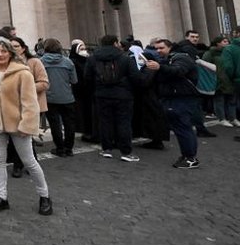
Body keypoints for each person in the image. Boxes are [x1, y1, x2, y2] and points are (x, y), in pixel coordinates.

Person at [0, 37, 52, 217]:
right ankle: (1, 196)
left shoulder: (23, 73)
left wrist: (27, 125)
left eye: (3, 51)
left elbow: (30, 103)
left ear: (10, 53)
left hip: (18, 124)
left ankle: (44, 195)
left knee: (29, 161)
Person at [144, 39, 201, 168]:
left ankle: (190, 157)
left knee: (183, 128)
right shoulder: (169, 59)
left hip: (181, 97)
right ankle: (187, 155)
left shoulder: (180, 58)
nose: (158, 51)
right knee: (181, 128)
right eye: (156, 48)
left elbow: (178, 71)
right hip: (174, 97)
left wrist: (160, 67)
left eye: (161, 48)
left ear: (170, 47)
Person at [84, 35, 141, 162]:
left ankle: (106, 149)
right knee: (124, 122)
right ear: (115, 43)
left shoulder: (93, 59)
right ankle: (126, 151)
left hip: (102, 94)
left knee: (105, 122)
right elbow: (136, 77)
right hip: (123, 95)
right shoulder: (125, 58)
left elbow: (87, 77)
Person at [7, 36, 48, 177]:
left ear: (23, 48)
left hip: (31, 105)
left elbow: (44, 83)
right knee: (16, 136)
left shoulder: (35, 62)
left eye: (16, 46)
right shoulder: (6, 64)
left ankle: (27, 164)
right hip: (12, 106)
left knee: (26, 135)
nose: (13, 49)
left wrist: (25, 87)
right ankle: (21, 164)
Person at [40, 38, 78, 157]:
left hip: (50, 97)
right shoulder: (68, 62)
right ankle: (69, 148)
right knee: (69, 124)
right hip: (67, 97)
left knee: (54, 124)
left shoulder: (41, 62)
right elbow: (74, 80)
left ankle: (60, 148)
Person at [202, 36, 236, 127]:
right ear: (218, 43)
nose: (227, 43)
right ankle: (222, 118)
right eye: (224, 41)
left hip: (229, 78)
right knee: (219, 100)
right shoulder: (210, 53)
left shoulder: (228, 52)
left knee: (231, 100)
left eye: (227, 41)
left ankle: (232, 118)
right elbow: (206, 66)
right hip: (218, 79)